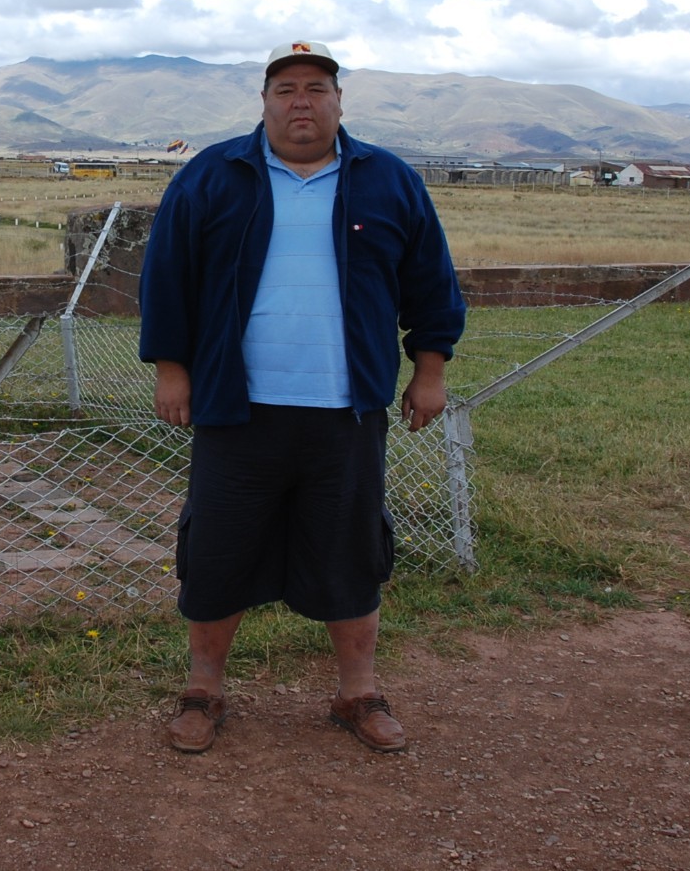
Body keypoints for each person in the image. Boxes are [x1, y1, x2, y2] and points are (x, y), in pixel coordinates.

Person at [137, 39, 466, 754]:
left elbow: (431, 284)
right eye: (285, 89)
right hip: (235, 410)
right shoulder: (212, 176)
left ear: (339, 102)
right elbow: (168, 279)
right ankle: (203, 692)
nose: (301, 102)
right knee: (217, 554)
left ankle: (358, 694)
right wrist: (172, 367)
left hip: (346, 412)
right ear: (265, 102)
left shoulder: (390, 181)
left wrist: (430, 371)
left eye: (316, 88)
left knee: (351, 554)